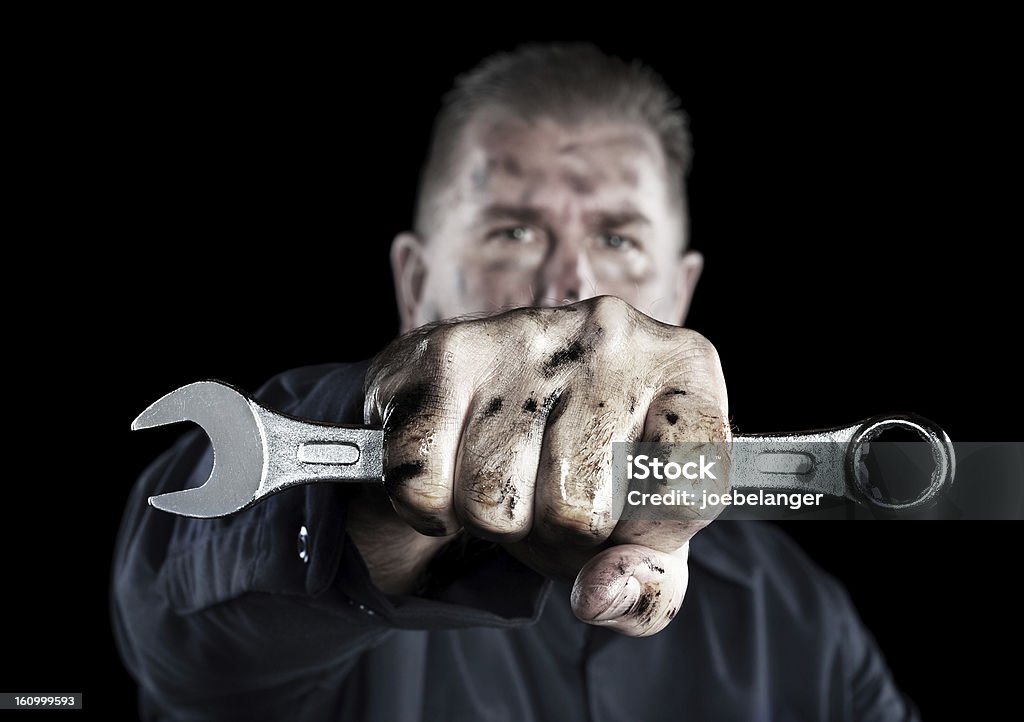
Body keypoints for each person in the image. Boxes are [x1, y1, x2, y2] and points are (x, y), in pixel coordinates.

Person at [113, 43, 918, 720]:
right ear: (413, 282)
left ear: (682, 292)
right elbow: (178, 627)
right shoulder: (287, 624)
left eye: (619, 239)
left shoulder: (803, 622)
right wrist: (374, 490)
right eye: (513, 230)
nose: (572, 284)